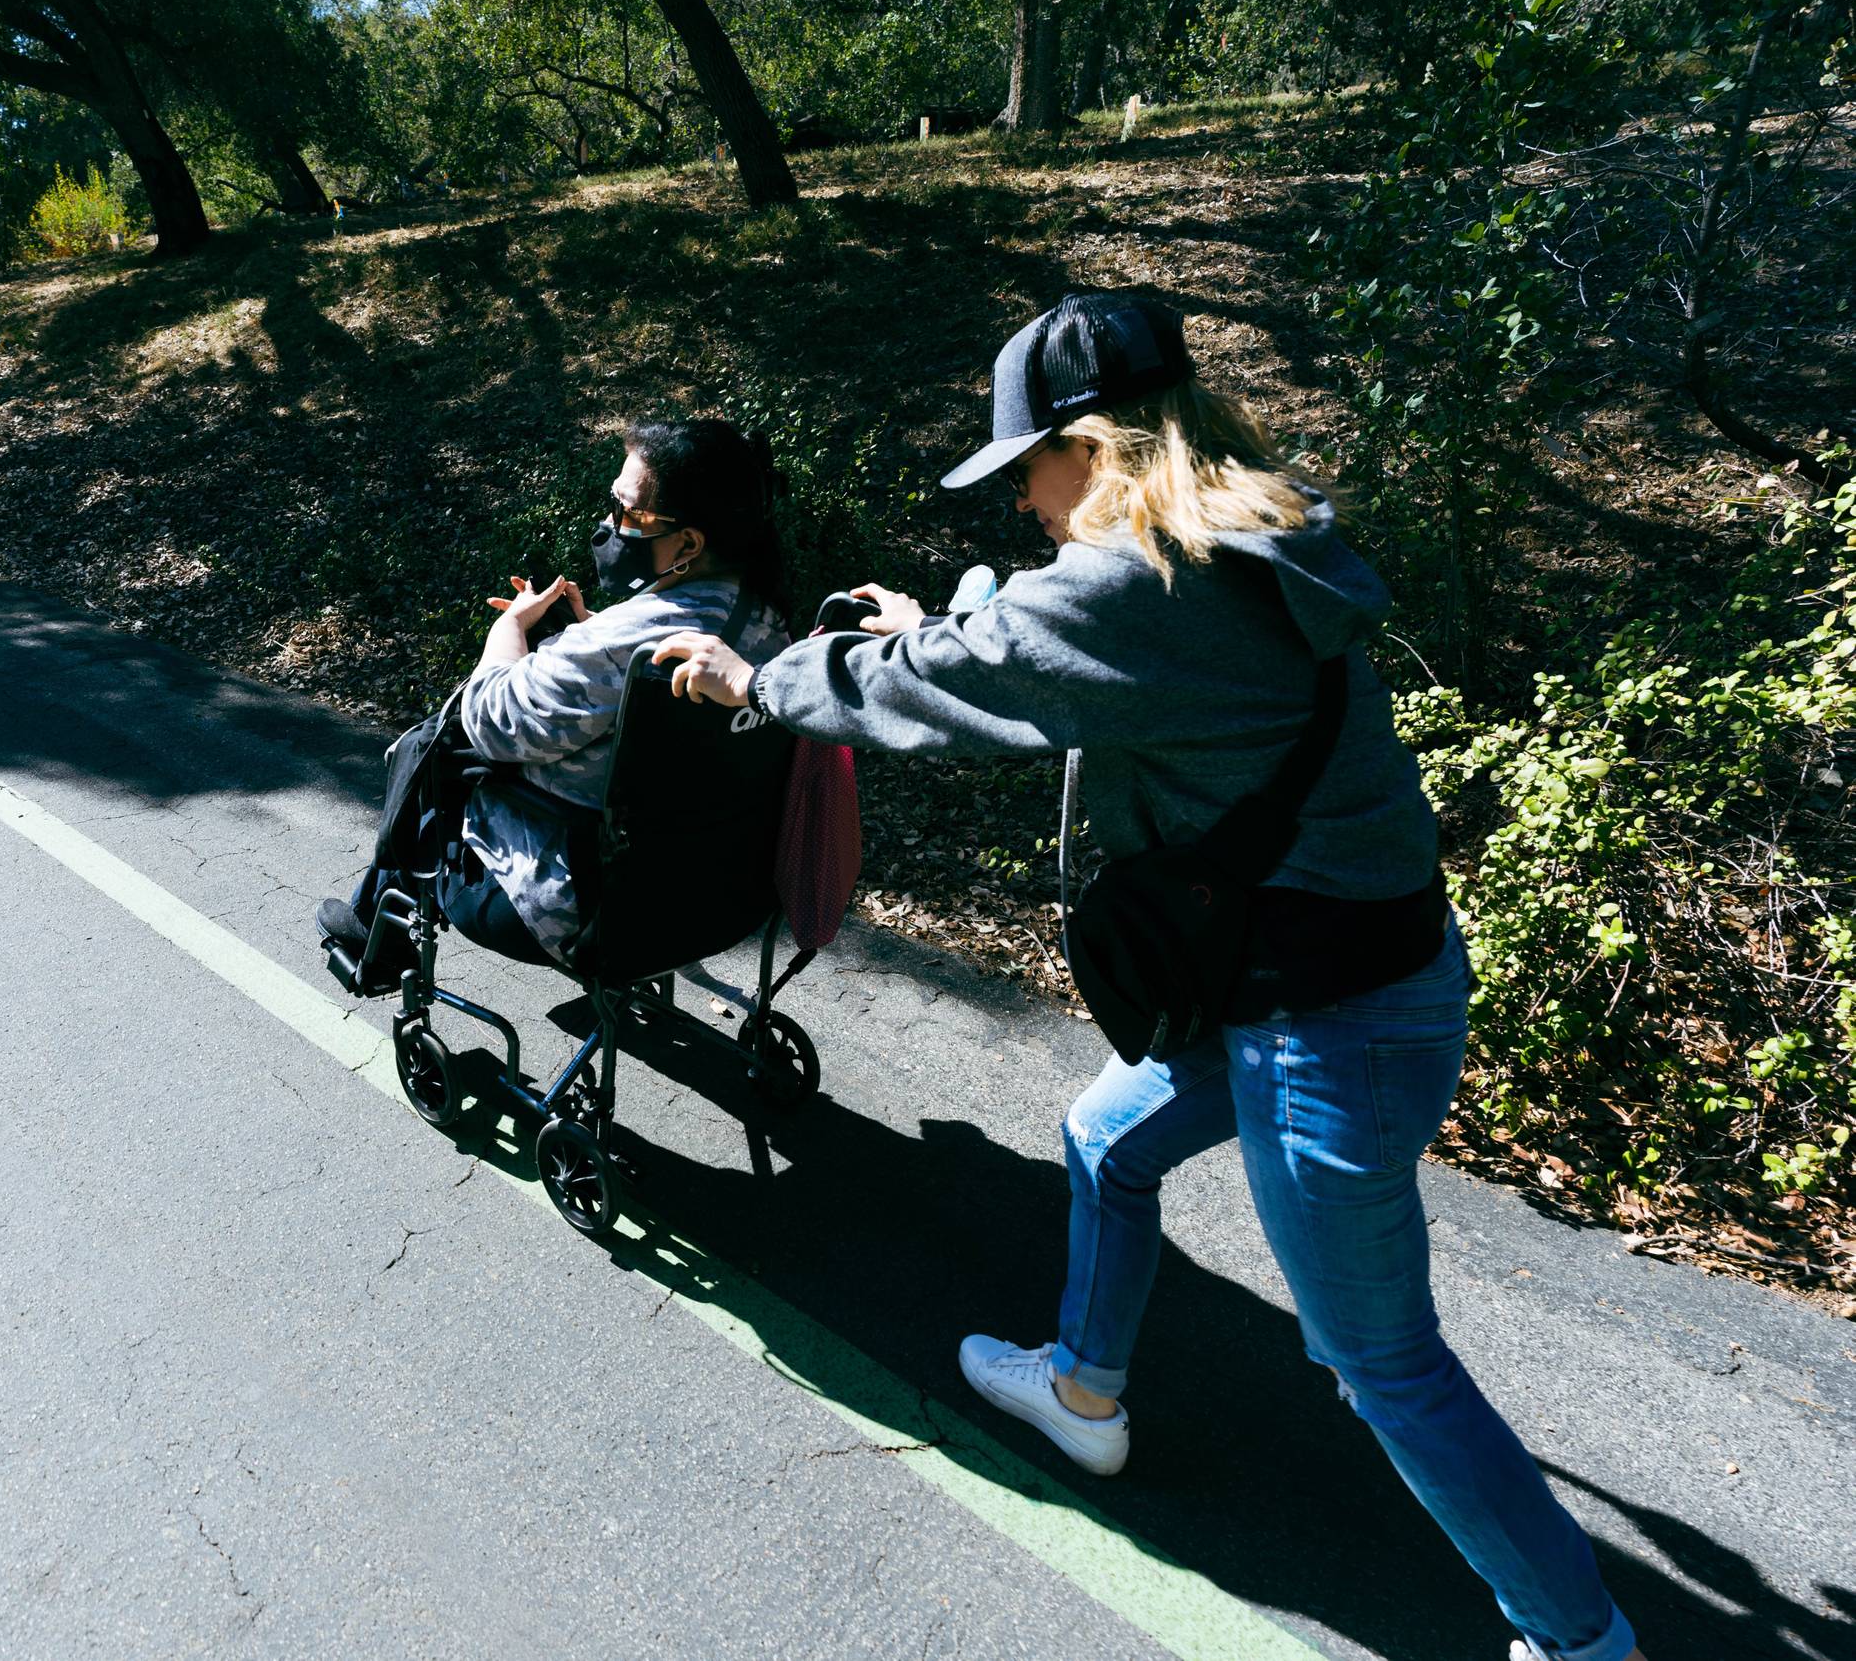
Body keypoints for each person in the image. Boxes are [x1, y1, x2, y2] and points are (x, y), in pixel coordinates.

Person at [650, 294, 1644, 1661]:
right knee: (1103, 1138)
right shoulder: (1260, 531)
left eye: (1026, 469)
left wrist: (758, 680)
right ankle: (1083, 1388)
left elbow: (974, 674)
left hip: (1323, 1025)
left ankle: (1581, 1640)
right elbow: (1075, 652)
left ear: (1095, 446)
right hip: (1331, 974)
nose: (1020, 501)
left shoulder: (1136, 583)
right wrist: (952, 619)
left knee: (1381, 1363)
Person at [318, 418, 791, 978]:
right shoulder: (768, 624)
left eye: (627, 512)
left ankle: (375, 937)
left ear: (688, 542)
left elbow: (488, 722)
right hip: (716, 898)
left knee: (436, 752)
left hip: (584, 910)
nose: (609, 525)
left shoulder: (620, 644)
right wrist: (591, 638)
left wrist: (511, 629)